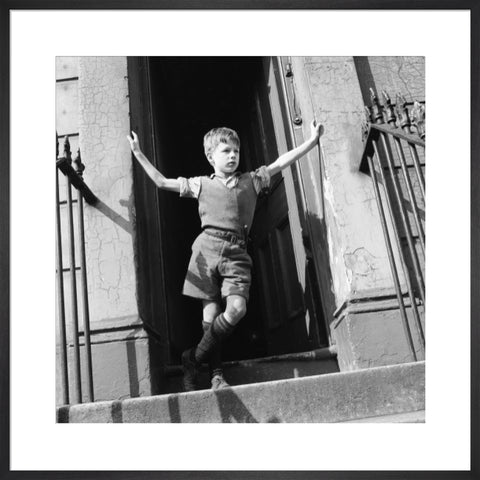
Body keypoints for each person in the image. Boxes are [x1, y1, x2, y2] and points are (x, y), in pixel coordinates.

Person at [127, 119, 322, 392]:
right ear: (210, 156)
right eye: (225, 151)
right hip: (205, 251)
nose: (232, 156)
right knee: (210, 317)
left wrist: (311, 141)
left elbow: (281, 162)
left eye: (236, 151)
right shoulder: (199, 185)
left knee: (237, 309)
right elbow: (161, 182)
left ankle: (192, 358)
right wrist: (137, 152)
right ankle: (216, 376)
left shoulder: (252, 180)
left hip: (236, 253)